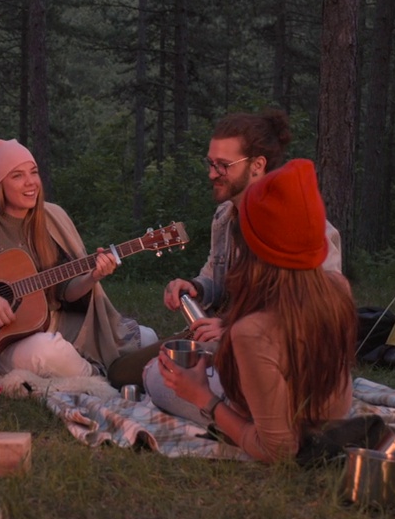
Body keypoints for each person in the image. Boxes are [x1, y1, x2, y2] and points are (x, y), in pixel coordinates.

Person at [106, 109, 344, 387]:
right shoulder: (224, 217)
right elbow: (215, 277)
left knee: (158, 379)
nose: (211, 174)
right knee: (120, 373)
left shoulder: (304, 227)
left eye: (223, 165)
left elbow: (318, 314)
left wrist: (233, 329)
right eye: (210, 163)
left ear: (257, 165)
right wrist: (196, 287)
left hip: (274, 354)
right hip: (220, 338)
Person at [152, 159, 357, 463]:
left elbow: (279, 450)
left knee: (155, 377)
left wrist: (202, 398)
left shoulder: (253, 331)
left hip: (287, 430)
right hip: (329, 418)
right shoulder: (338, 287)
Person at [0, 138, 152, 379]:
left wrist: (92, 276)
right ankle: (100, 379)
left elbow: (64, 291)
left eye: (34, 173)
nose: (31, 183)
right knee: (48, 352)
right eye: (17, 176)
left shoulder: (50, 218)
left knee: (146, 338)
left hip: (49, 321)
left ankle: (100, 369)